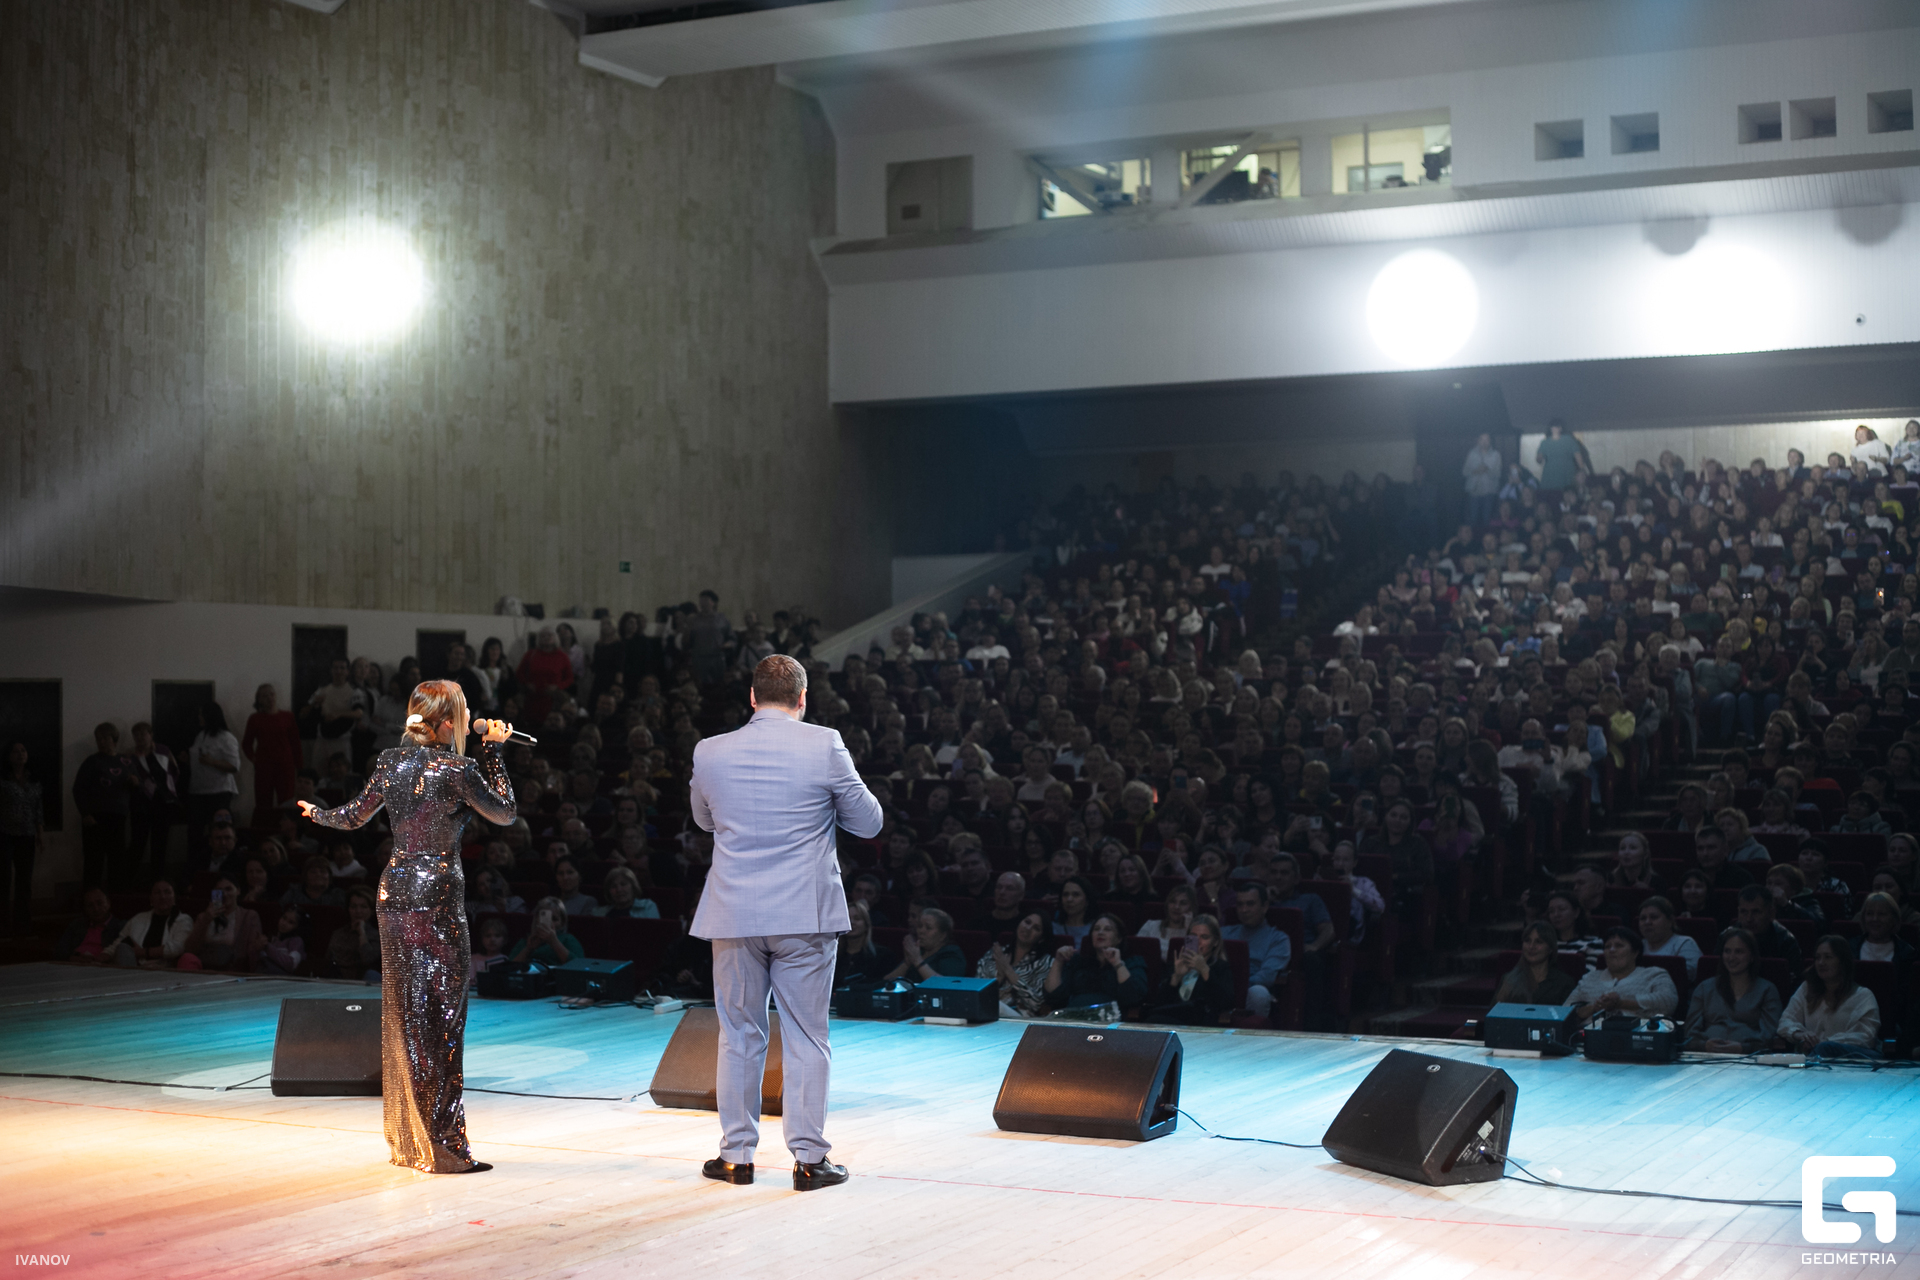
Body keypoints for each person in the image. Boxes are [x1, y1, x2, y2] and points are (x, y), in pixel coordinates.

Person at [301, 679, 517, 1175]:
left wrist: (318, 814)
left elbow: (352, 817)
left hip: (393, 891)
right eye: (464, 714)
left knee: (405, 1015)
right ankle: (443, 1149)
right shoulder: (459, 768)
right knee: (442, 1019)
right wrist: (494, 751)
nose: (469, 721)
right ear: (447, 723)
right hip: (435, 896)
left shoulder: (389, 762)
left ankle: (409, 1144)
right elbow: (505, 813)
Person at [686, 654, 882, 1192]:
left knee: (738, 1035)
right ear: (802, 698)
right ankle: (809, 1160)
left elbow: (704, 819)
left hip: (735, 913)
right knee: (806, 1037)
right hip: (804, 913)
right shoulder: (825, 743)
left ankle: (736, 1158)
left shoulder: (710, 750)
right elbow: (869, 822)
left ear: (752, 697)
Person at [1776, 936, 1882, 1057]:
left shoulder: (1863, 996)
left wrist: (1824, 1042)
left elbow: (1866, 1036)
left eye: (1828, 957)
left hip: (1852, 1058)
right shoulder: (1806, 988)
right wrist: (1801, 1035)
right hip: (1816, 1055)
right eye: (1818, 958)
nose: (1821, 963)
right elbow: (1785, 1021)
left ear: (1842, 961)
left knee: (1824, 1048)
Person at [1684, 927, 1783, 1053]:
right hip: (1707, 1055)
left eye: (1739, 952)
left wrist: (1743, 1048)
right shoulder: (1704, 988)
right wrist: (1704, 1045)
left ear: (1752, 956)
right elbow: (1689, 1035)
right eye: (1727, 951)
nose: (1731, 958)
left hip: (1749, 1057)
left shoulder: (1767, 990)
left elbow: (1769, 1036)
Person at [1043, 913, 1149, 1012]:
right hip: (1073, 1016)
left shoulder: (1132, 963)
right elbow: (1052, 995)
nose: (1100, 932)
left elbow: (1133, 997)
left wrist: (1117, 964)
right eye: (1096, 929)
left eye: (1107, 929)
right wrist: (1058, 961)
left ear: (1119, 939)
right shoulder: (1078, 962)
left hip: (1109, 1019)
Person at [1567, 927, 1679, 1021]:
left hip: (1638, 1035)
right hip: (1588, 1035)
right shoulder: (1590, 977)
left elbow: (1668, 1002)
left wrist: (1621, 1003)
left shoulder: (1655, 974)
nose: (1611, 950)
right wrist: (1594, 1007)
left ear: (1635, 952)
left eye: (1619, 945)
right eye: (1607, 946)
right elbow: (1564, 1012)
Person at [72, 722, 135, 888]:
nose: (101, 742)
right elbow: (78, 789)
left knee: (117, 859)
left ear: (113, 739)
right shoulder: (92, 761)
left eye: (104, 738)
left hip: (118, 816)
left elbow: (136, 787)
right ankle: (91, 897)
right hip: (95, 817)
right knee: (94, 861)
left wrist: (135, 783)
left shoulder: (125, 761)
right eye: (98, 739)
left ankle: (116, 897)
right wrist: (85, 813)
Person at [1145, 914, 1236, 1025]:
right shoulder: (1176, 963)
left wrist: (1204, 971)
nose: (1198, 942)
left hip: (1201, 1023)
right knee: (1153, 1020)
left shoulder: (1221, 967)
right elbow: (1158, 1004)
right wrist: (1176, 977)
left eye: (1204, 937)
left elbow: (1225, 1004)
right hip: (1172, 1020)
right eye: (1193, 937)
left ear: (1215, 942)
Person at [1219, 882, 1291, 1021]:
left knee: (1259, 994)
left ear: (1264, 906)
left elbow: (1267, 976)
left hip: (1249, 989)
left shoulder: (1278, 939)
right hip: (1220, 985)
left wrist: (1235, 987)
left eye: (1250, 904)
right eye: (1240, 904)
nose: (1244, 910)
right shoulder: (1224, 933)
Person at [125, 723, 181, 884]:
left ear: (151, 735)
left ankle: (157, 880)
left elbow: (174, 771)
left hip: (162, 802)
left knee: (160, 843)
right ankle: (128, 881)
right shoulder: (130, 756)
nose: (139, 738)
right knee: (138, 842)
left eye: (143, 734)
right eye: (136, 735)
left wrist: (167, 790)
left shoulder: (163, 751)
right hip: (141, 803)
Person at [186, 703, 241, 859]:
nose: (199, 717)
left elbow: (234, 766)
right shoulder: (201, 735)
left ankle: (223, 863)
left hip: (218, 792)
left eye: (202, 714)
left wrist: (213, 762)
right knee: (195, 833)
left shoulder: (226, 738)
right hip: (198, 791)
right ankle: (197, 865)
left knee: (220, 830)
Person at [1, 741, 45, 934]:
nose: (20, 754)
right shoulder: (3, 780)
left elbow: (38, 808)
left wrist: (40, 832)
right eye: (16, 751)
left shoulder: (34, 780)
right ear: (8, 756)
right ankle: (2, 925)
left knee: (24, 881)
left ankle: (22, 924)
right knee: (3, 880)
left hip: (27, 835)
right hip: (4, 834)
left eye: (23, 750)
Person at [242, 684, 302, 817]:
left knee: (286, 801)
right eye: (265, 696)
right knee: (263, 802)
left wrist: (299, 767)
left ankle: (287, 826)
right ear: (259, 699)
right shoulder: (255, 719)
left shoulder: (287, 716)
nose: (269, 698)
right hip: (264, 767)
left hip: (285, 766)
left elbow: (295, 743)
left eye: (272, 694)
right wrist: (254, 759)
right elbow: (246, 744)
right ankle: (264, 827)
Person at [977, 910, 1050, 1018]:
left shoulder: (1044, 962)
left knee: (998, 1007)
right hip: (985, 1012)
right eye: (1027, 922)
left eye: (1036, 928)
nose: (1028, 928)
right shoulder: (995, 953)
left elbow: (1037, 1004)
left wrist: (1008, 970)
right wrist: (999, 977)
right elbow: (977, 993)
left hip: (1021, 1017)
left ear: (1041, 938)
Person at [181, 878, 263, 972]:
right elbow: (190, 949)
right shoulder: (204, 916)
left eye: (228, 889)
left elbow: (252, 953)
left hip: (232, 969)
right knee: (186, 958)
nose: (224, 894)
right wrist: (205, 921)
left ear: (238, 891)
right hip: (205, 967)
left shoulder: (248, 916)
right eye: (219, 891)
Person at [110, 879, 194, 968]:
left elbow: (178, 947)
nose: (162, 897)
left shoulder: (183, 920)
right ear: (151, 898)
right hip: (135, 966)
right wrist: (105, 954)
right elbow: (120, 941)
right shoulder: (138, 919)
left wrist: (143, 952)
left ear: (174, 898)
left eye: (167, 892)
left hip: (164, 969)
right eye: (157, 893)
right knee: (122, 948)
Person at [1492, 921, 1577, 1006]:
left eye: (1539, 942)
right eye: (1527, 941)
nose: (1531, 946)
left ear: (1550, 948)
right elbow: (1493, 1012)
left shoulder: (1564, 983)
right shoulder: (1509, 979)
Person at [884, 906, 967, 982]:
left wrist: (918, 962)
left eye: (928, 928)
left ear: (943, 935)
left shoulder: (951, 953)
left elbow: (946, 984)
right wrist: (907, 962)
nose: (921, 931)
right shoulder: (918, 951)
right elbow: (886, 982)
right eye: (920, 926)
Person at [1636, 895, 1702, 979]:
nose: (1647, 922)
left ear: (1670, 920)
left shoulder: (1685, 943)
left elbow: (1689, 975)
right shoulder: (1636, 946)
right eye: (1643, 918)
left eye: (1654, 917)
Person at [833, 900, 896, 986]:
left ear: (866, 924)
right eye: (847, 919)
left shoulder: (882, 955)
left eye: (857, 918)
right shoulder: (834, 957)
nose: (851, 922)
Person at [54, 886, 124, 963]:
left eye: (99, 903)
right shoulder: (77, 925)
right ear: (85, 908)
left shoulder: (120, 927)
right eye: (90, 905)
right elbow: (60, 950)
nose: (96, 909)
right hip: (73, 965)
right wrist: (73, 958)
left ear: (108, 903)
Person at [327, 885, 383, 980]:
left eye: (363, 907)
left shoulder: (377, 936)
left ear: (371, 910)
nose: (358, 911)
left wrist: (361, 933)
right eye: (353, 907)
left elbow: (367, 959)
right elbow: (330, 959)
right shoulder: (339, 933)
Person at [509, 896, 583, 966]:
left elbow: (578, 966)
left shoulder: (568, 939)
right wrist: (528, 948)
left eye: (554, 919)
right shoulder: (526, 941)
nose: (550, 922)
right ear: (536, 919)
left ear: (562, 922)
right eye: (546, 918)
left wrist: (554, 942)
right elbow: (510, 967)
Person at [1137, 884, 1196, 959]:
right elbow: (1135, 951)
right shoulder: (1150, 925)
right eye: (1173, 902)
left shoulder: (1194, 933)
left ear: (1191, 907)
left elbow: (1193, 958)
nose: (1176, 907)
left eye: (1183, 903)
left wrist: (1189, 929)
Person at [260, 904, 309, 976]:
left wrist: (267, 947)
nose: (284, 923)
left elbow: (291, 965)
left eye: (291, 922)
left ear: (298, 927)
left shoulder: (296, 941)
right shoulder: (274, 939)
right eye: (284, 918)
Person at [596, 865, 660, 919]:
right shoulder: (599, 913)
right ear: (609, 891)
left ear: (633, 886)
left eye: (623, 884)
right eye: (613, 886)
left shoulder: (647, 906)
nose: (619, 890)